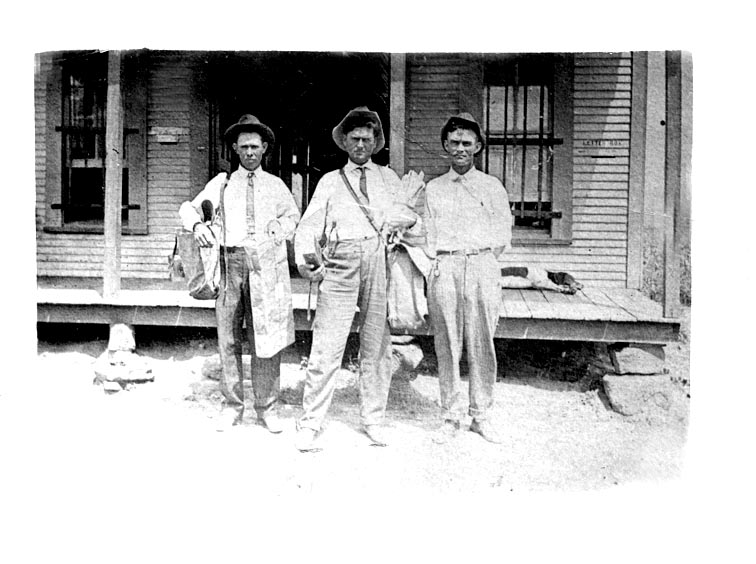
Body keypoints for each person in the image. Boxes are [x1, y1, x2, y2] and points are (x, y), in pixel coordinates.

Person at [293, 106, 422, 451]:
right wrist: (307, 262)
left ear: (375, 142)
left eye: (367, 138)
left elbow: (413, 219)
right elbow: (308, 227)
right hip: (341, 262)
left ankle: (373, 419)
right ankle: (311, 423)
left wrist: (402, 224)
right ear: (345, 143)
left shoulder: (389, 179)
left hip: (379, 260)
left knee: (377, 344)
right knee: (327, 343)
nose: (361, 144)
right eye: (355, 138)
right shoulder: (331, 181)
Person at [179, 114, 300, 432]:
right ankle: (232, 405)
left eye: (255, 147)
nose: (249, 152)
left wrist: (280, 226)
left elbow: (292, 217)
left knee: (266, 337)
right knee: (228, 337)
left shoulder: (275, 186)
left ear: (265, 150)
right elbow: (187, 209)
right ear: (234, 148)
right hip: (230, 263)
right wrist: (198, 226)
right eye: (244, 146)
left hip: (264, 266)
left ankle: (267, 407)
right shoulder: (222, 184)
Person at [423, 112, 513, 444]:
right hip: (445, 268)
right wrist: (439, 265)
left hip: (481, 266)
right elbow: (426, 234)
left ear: (477, 146)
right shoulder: (434, 188)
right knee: (446, 344)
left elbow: (502, 235)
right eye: (454, 142)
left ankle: (481, 415)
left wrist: (479, 263)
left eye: (467, 143)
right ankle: (451, 416)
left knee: (481, 343)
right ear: (446, 146)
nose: (460, 148)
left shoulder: (491, 187)